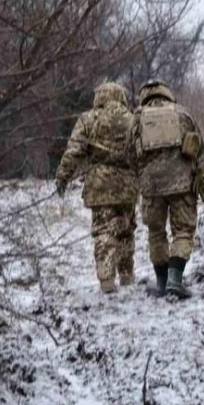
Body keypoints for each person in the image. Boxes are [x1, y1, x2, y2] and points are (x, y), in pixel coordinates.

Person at [128, 79, 204, 299]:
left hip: (151, 187)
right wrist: (198, 172)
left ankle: (162, 282)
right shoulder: (183, 114)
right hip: (182, 185)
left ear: (144, 96)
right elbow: (199, 145)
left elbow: (128, 153)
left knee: (156, 233)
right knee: (183, 231)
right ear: (167, 94)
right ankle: (176, 280)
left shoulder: (136, 118)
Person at [55, 82, 138, 294]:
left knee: (104, 230)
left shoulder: (88, 119)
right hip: (128, 184)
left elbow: (74, 151)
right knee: (126, 228)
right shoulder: (132, 119)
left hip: (100, 185)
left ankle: (106, 278)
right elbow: (142, 151)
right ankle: (127, 273)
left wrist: (63, 176)